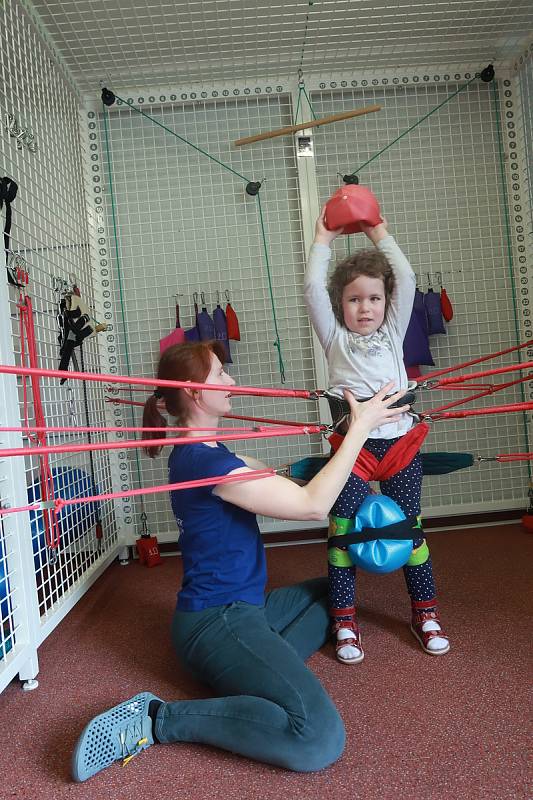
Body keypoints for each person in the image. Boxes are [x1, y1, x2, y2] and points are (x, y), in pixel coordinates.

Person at [71, 340, 409, 782]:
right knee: (319, 738)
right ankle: (160, 719)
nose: (231, 382)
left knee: (335, 592)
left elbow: (274, 476)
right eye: (219, 376)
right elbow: (310, 506)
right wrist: (360, 431)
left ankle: (257, 678)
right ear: (193, 392)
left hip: (245, 610)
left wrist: (343, 441)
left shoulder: (209, 454)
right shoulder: (203, 462)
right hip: (218, 622)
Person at [303, 206, 450, 665]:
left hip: (401, 446)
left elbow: (404, 277)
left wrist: (376, 229)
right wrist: (323, 236)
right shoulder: (334, 339)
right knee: (343, 533)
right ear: (338, 305)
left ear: (386, 303)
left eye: (373, 299)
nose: (364, 308)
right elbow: (311, 287)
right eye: (353, 299)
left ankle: (424, 614)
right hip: (352, 451)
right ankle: (344, 621)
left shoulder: (392, 333)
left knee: (410, 531)